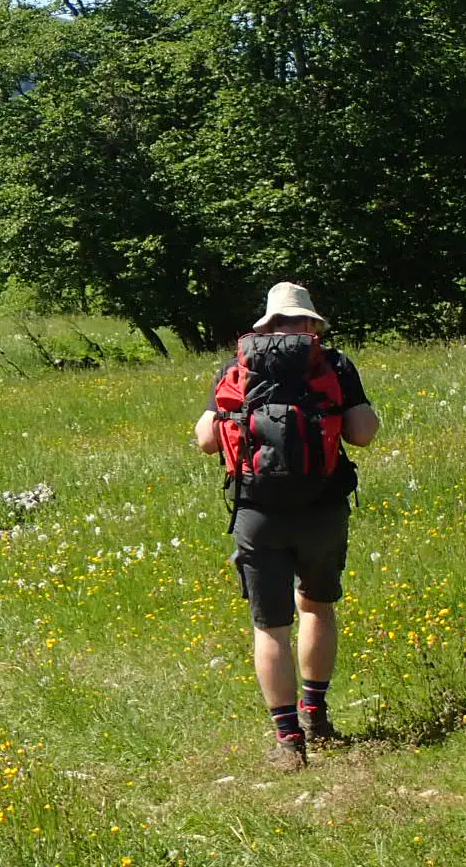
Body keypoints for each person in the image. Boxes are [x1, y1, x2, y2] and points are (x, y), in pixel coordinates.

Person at [194, 282, 380, 771]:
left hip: (258, 512)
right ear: (312, 323)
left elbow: (206, 441)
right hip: (322, 507)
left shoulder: (240, 365)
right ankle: (316, 715)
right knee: (316, 606)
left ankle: (288, 742)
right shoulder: (335, 365)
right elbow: (361, 435)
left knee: (270, 627)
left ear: (268, 324)